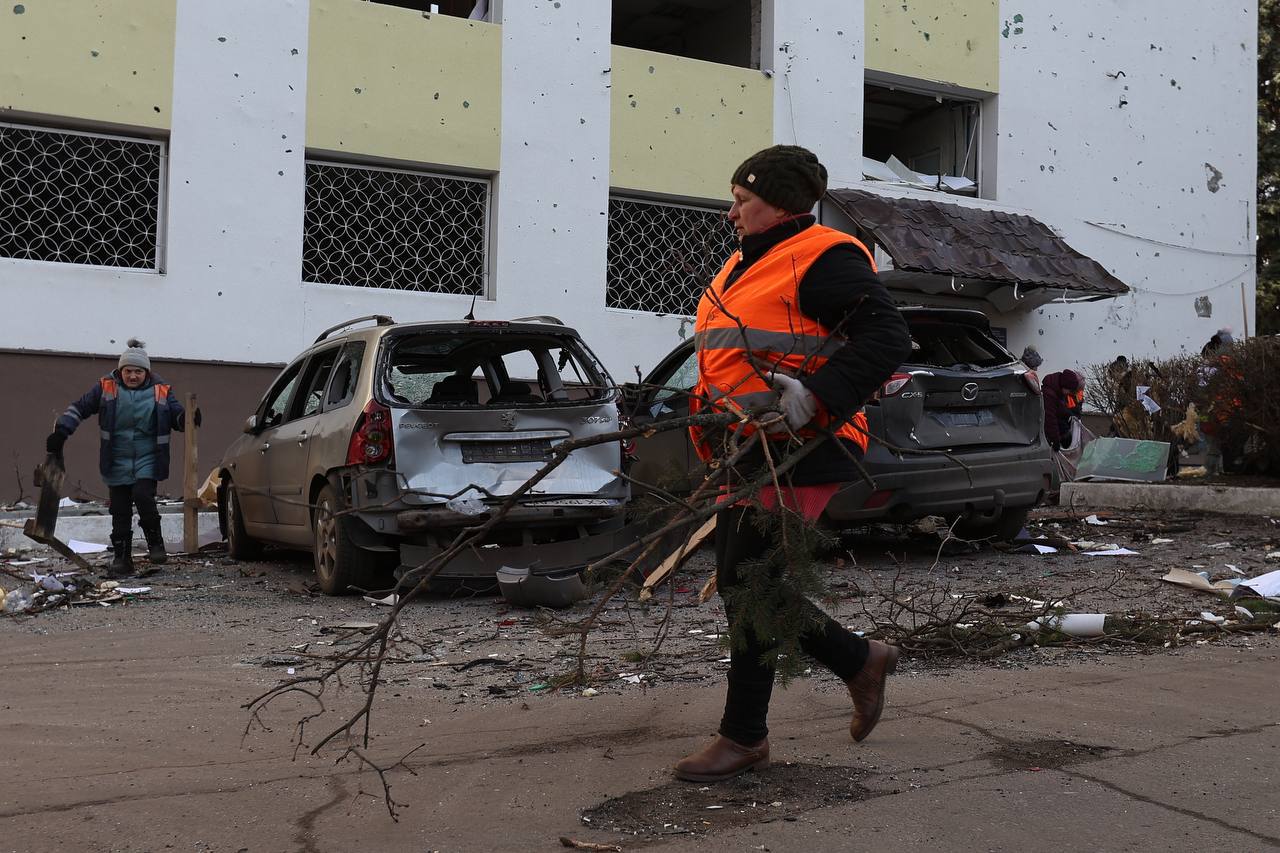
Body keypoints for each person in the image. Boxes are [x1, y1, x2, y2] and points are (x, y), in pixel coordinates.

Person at [676, 145, 912, 783]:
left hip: (805, 445)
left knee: (750, 582)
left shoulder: (823, 257)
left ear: (778, 204)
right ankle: (862, 661)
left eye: (742, 200)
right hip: (751, 445)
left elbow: (887, 338)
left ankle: (745, 737)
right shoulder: (744, 264)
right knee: (744, 582)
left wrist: (817, 398)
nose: (732, 213)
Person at [46, 339, 196, 577]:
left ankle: (155, 543)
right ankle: (122, 558)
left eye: (138, 371)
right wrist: (61, 432)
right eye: (128, 371)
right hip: (116, 458)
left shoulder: (161, 390)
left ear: (146, 372)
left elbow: (176, 414)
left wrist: (186, 419)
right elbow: (80, 407)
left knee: (143, 494)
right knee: (119, 508)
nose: (133, 376)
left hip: (149, 456)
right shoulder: (106, 387)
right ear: (120, 370)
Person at [1041, 369, 1084, 451]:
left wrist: (1068, 414)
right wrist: (1055, 440)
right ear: (1065, 386)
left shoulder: (1058, 391)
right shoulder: (1049, 395)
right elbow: (1050, 418)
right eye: (1070, 391)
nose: (1070, 393)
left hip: (1059, 424)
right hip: (1050, 430)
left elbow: (1061, 408)